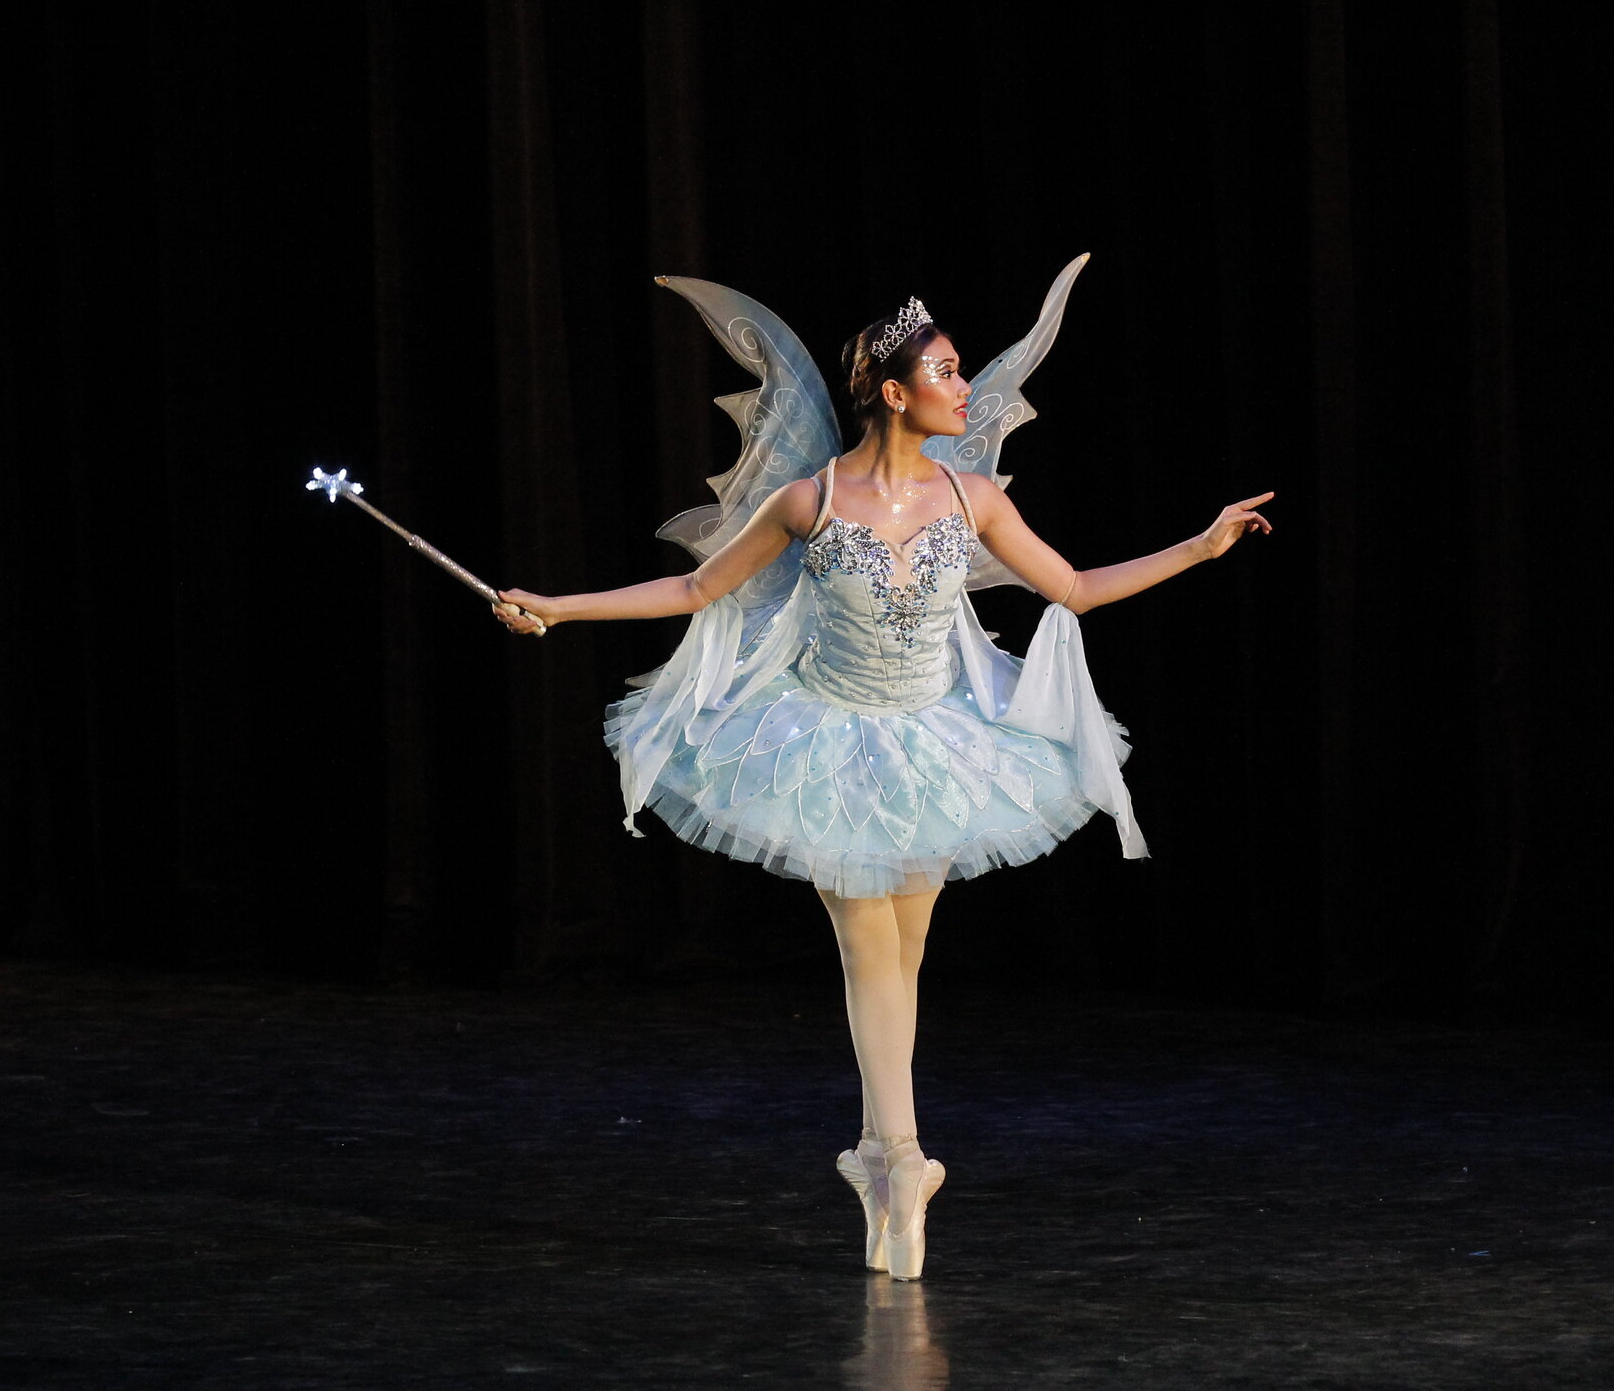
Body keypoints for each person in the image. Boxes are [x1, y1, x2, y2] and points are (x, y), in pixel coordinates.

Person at [492, 257, 1273, 1280]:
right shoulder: (805, 497)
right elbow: (694, 587)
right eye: (946, 372)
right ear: (895, 392)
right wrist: (559, 605)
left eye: (960, 370)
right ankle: (900, 1164)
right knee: (870, 949)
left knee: (901, 952)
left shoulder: (974, 494)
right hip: (821, 737)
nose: (964, 387)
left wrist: (1199, 547)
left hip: (936, 738)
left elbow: (1072, 587)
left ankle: (876, 1157)